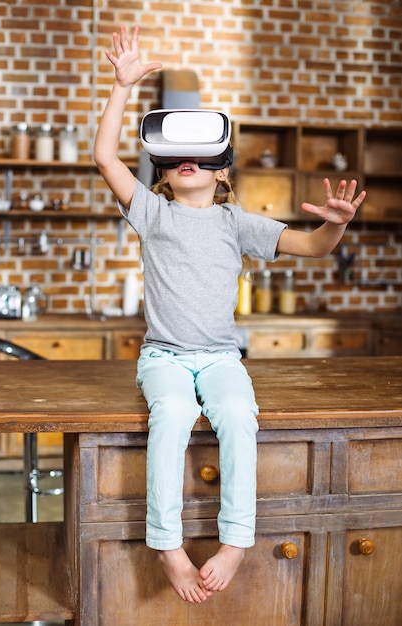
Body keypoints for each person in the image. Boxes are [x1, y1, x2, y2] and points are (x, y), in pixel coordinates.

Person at [94, 25, 366, 605]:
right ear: (163, 171)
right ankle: (167, 546)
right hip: (164, 357)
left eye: (202, 157)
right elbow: (102, 157)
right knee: (169, 416)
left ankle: (235, 540)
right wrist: (121, 87)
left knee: (241, 418)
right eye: (174, 158)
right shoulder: (151, 212)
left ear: (221, 171)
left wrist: (337, 223)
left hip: (221, 358)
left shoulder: (237, 223)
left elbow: (315, 247)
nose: (186, 162)